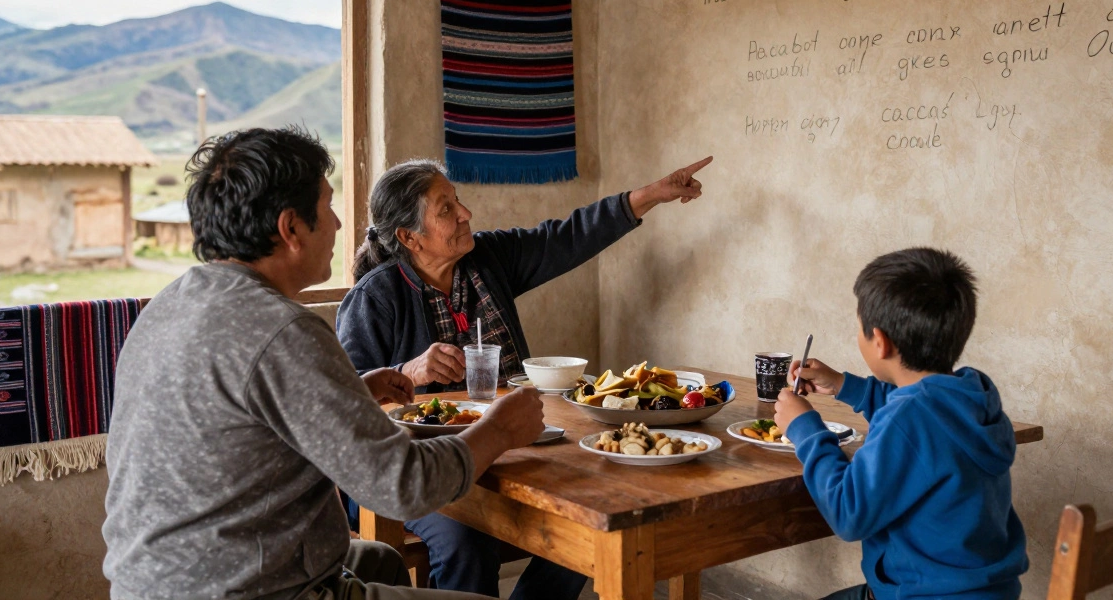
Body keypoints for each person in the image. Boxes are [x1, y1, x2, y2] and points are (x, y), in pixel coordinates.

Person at [103, 128, 546, 600]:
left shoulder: (170, 305)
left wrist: (354, 389)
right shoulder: (281, 329)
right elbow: (403, 485)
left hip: (153, 581)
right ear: (290, 228)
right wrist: (500, 429)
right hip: (245, 590)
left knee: (380, 560)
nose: (338, 225)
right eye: (329, 207)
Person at [336, 155, 712, 599]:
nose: (465, 214)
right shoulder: (374, 298)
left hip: (507, 449)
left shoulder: (487, 260)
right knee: (465, 541)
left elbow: (565, 237)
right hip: (412, 467)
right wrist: (407, 370)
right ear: (408, 237)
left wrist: (648, 196)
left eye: (458, 201)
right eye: (446, 210)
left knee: (588, 517)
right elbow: (343, 401)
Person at [774, 248, 1028, 600]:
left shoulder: (910, 418)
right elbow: (920, 423)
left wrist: (805, 428)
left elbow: (848, 512)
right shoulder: (973, 393)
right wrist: (845, 385)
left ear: (879, 342)